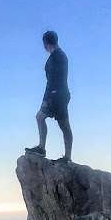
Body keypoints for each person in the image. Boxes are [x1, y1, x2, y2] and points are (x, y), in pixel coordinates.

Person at [25, 30, 73, 161]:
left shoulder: (58, 56)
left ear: (46, 43)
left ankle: (57, 153)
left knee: (58, 123)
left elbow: (55, 79)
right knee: (53, 121)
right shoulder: (57, 55)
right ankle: (46, 149)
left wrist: (49, 97)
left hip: (57, 95)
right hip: (58, 94)